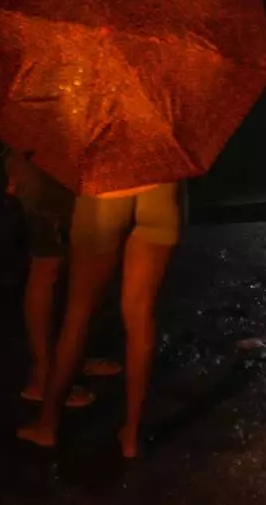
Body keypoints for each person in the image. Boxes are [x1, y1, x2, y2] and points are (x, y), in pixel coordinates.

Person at [18, 181, 185, 458]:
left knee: (78, 314)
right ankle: (131, 434)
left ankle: (47, 425)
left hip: (104, 194)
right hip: (162, 191)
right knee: (141, 315)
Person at [2, 147, 122, 409]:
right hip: (41, 164)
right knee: (48, 265)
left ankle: (69, 358)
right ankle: (43, 378)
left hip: (68, 160)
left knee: (71, 261)